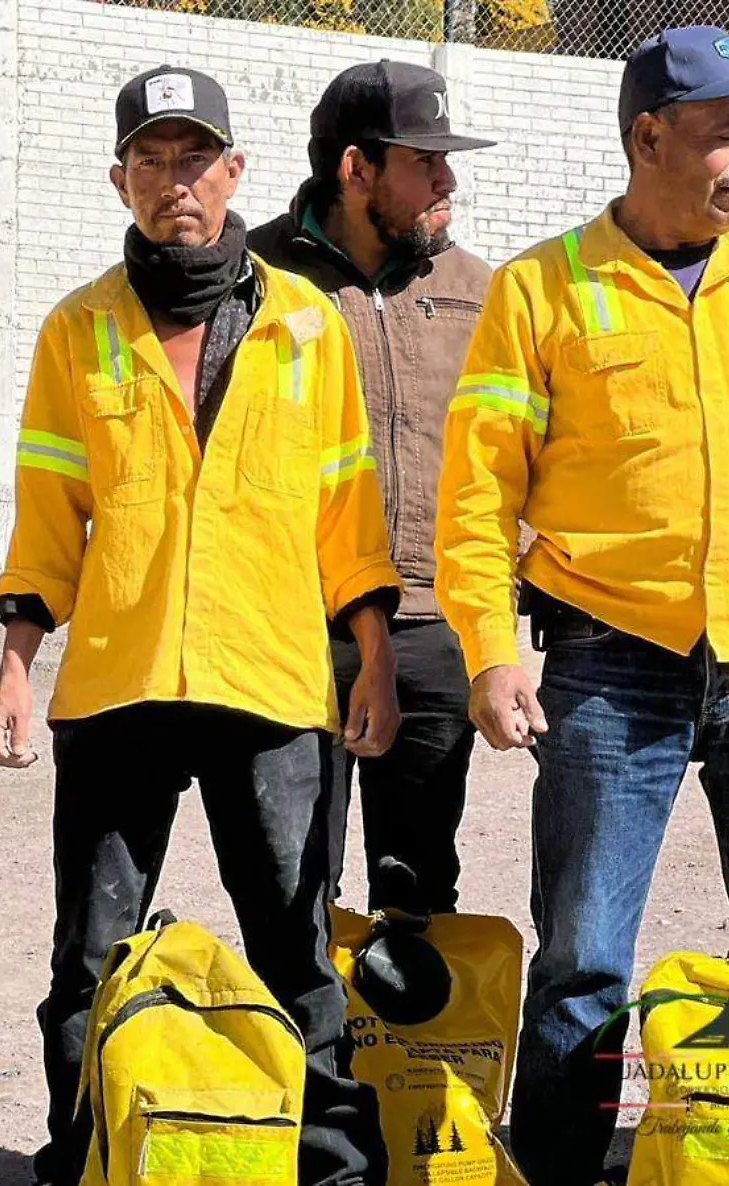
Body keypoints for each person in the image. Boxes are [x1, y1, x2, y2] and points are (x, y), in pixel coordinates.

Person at [433, 26, 729, 1184]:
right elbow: (477, 492)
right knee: (582, 959)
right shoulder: (544, 288)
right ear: (646, 136)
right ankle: (558, 1168)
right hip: (610, 661)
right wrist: (490, 647)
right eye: (724, 133)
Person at [0, 65, 399, 1186]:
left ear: (234, 172)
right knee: (89, 956)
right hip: (118, 687)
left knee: (296, 957)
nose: (175, 182)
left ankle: (333, 1169)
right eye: (151, 159)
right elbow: (47, 519)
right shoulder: (77, 331)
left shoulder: (307, 325)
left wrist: (370, 658)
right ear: (120, 177)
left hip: (268, 686)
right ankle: (87, 1159)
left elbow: (345, 511)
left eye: (195, 157)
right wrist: (18, 666)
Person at [247, 60, 495, 916]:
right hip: (294, 625)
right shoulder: (255, 284)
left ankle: (411, 1057)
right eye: (425, 161)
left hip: (433, 621)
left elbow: (515, 452)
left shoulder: (478, 290)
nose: (447, 179)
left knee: (418, 887)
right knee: (292, 888)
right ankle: (315, 1053)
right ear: (356, 171)